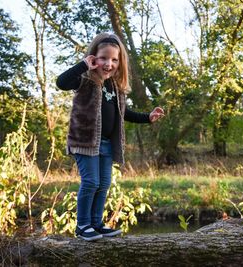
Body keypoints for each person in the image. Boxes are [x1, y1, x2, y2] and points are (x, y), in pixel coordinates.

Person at [56, 32, 164, 241]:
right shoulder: (84, 80)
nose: (108, 63)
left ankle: (96, 224)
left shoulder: (115, 86)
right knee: (90, 182)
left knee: (104, 183)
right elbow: (61, 82)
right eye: (103, 58)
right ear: (93, 57)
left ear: (120, 62)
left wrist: (147, 118)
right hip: (86, 142)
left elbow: (123, 113)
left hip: (106, 144)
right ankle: (83, 226)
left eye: (114, 59)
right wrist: (82, 65)